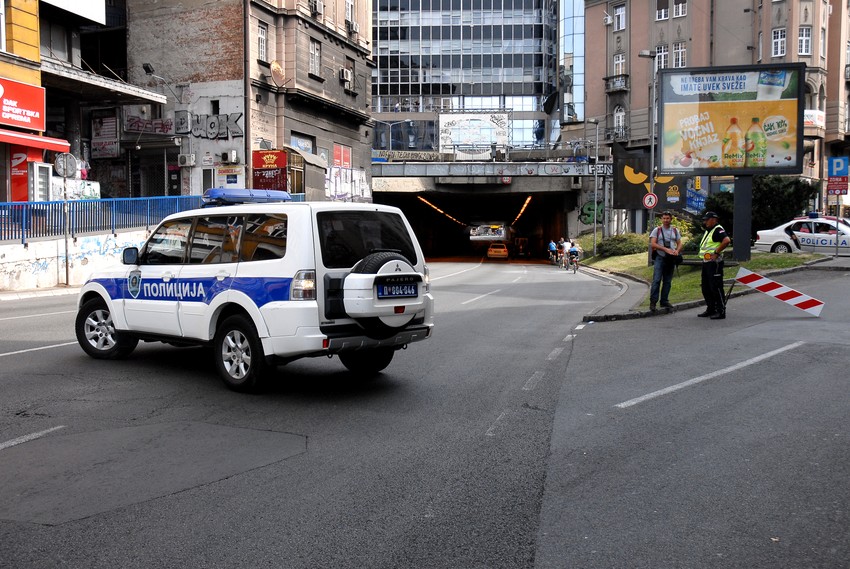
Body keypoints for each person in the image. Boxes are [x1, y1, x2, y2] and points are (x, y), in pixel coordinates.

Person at [697, 211, 731, 320]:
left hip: (714, 263)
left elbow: (726, 241)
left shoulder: (718, 229)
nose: (705, 222)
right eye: (704, 220)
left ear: (714, 219)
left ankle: (721, 311)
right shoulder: (709, 230)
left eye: (707, 220)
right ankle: (711, 308)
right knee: (706, 287)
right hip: (706, 262)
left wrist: (716, 253)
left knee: (716, 287)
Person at [649, 211, 683, 311]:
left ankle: (664, 301)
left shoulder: (675, 230)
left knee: (667, 281)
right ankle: (653, 302)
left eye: (667, 218)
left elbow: (680, 243)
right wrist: (665, 249)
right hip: (660, 257)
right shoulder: (657, 230)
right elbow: (653, 244)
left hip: (670, 258)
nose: (665, 220)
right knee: (656, 280)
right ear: (661, 219)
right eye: (664, 218)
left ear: (671, 219)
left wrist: (677, 251)